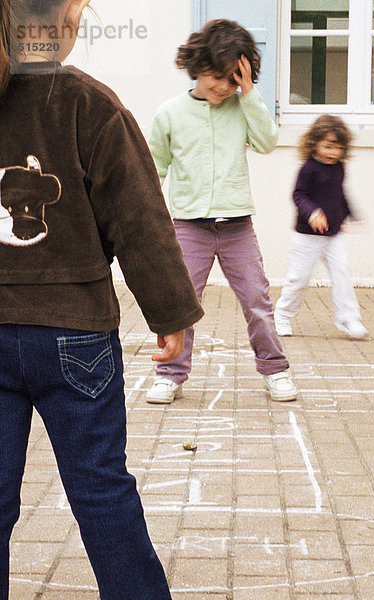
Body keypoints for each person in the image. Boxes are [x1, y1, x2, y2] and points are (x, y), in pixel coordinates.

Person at [0, 1, 204, 599]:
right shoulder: (89, 102)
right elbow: (138, 219)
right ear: (64, 17)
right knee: (100, 488)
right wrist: (169, 316)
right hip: (74, 334)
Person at [146, 19, 297, 405]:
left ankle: (275, 369)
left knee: (258, 302)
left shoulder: (242, 105)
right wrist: (149, 221)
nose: (222, 87)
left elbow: (266, 143)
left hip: (237, 227)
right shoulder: (170, 113)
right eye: (216, 77)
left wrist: (249, 95)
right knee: (180, 303)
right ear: (196, 66)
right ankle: (170, 374)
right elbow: (153, 170)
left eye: (232, 80)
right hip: (188, 226)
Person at [274, 114, 368, 339]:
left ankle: (348, 318)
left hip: (333, 236)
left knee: (342, 271)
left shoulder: (339, 168)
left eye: (337, 148)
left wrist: (349, 214)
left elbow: (339, 194)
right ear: (314, 143)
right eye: (327, 146)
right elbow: (298, 195)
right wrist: (313, 213)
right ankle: (282, 315)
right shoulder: (308, 169)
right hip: (307, 236)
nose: (332, 153)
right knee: (299, 277)